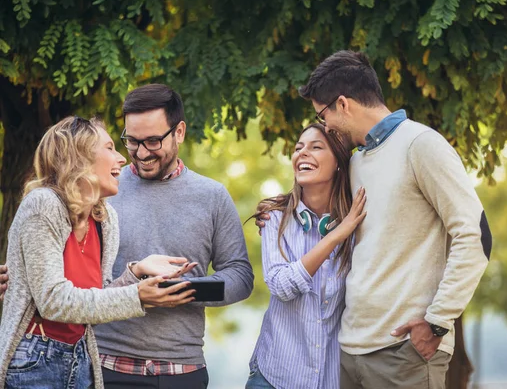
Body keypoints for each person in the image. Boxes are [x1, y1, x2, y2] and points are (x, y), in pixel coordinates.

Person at [258, 50, 492, 389]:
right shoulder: (356, 163)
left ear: (343, 104)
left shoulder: (420, 145)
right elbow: (321, 203)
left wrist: (438, 321)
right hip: (350, 353)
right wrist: (276, 210)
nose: (325, 127)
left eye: (323, 116)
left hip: (404, 352)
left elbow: (475, 235)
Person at [0, 116, 197, 389]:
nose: (122, 159)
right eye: (109, 148)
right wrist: (136, 296)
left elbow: (97, 298)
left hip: (81, 356)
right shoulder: (43, 205)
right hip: (35, 357)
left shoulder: (105, 218)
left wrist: (136, 272)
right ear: (79, 156)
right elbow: (52, 301)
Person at [91, 84, 254, 389]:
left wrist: (186, 291)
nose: (141, 153)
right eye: (132, 141)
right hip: (105, 364)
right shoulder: (102, 191)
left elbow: (241, 276)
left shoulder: (212, 196)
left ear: (178, 132)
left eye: (152, 141)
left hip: (181, 370)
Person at [246, 123, 366, 389]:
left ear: (338, 162)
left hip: (331, 379)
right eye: (298, 148)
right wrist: (336, 235)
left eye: (316, 147)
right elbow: (280, 285)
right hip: (274, 377)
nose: (302, 153)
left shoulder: (358, 223)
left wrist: (346, 229)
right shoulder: (275, 218)